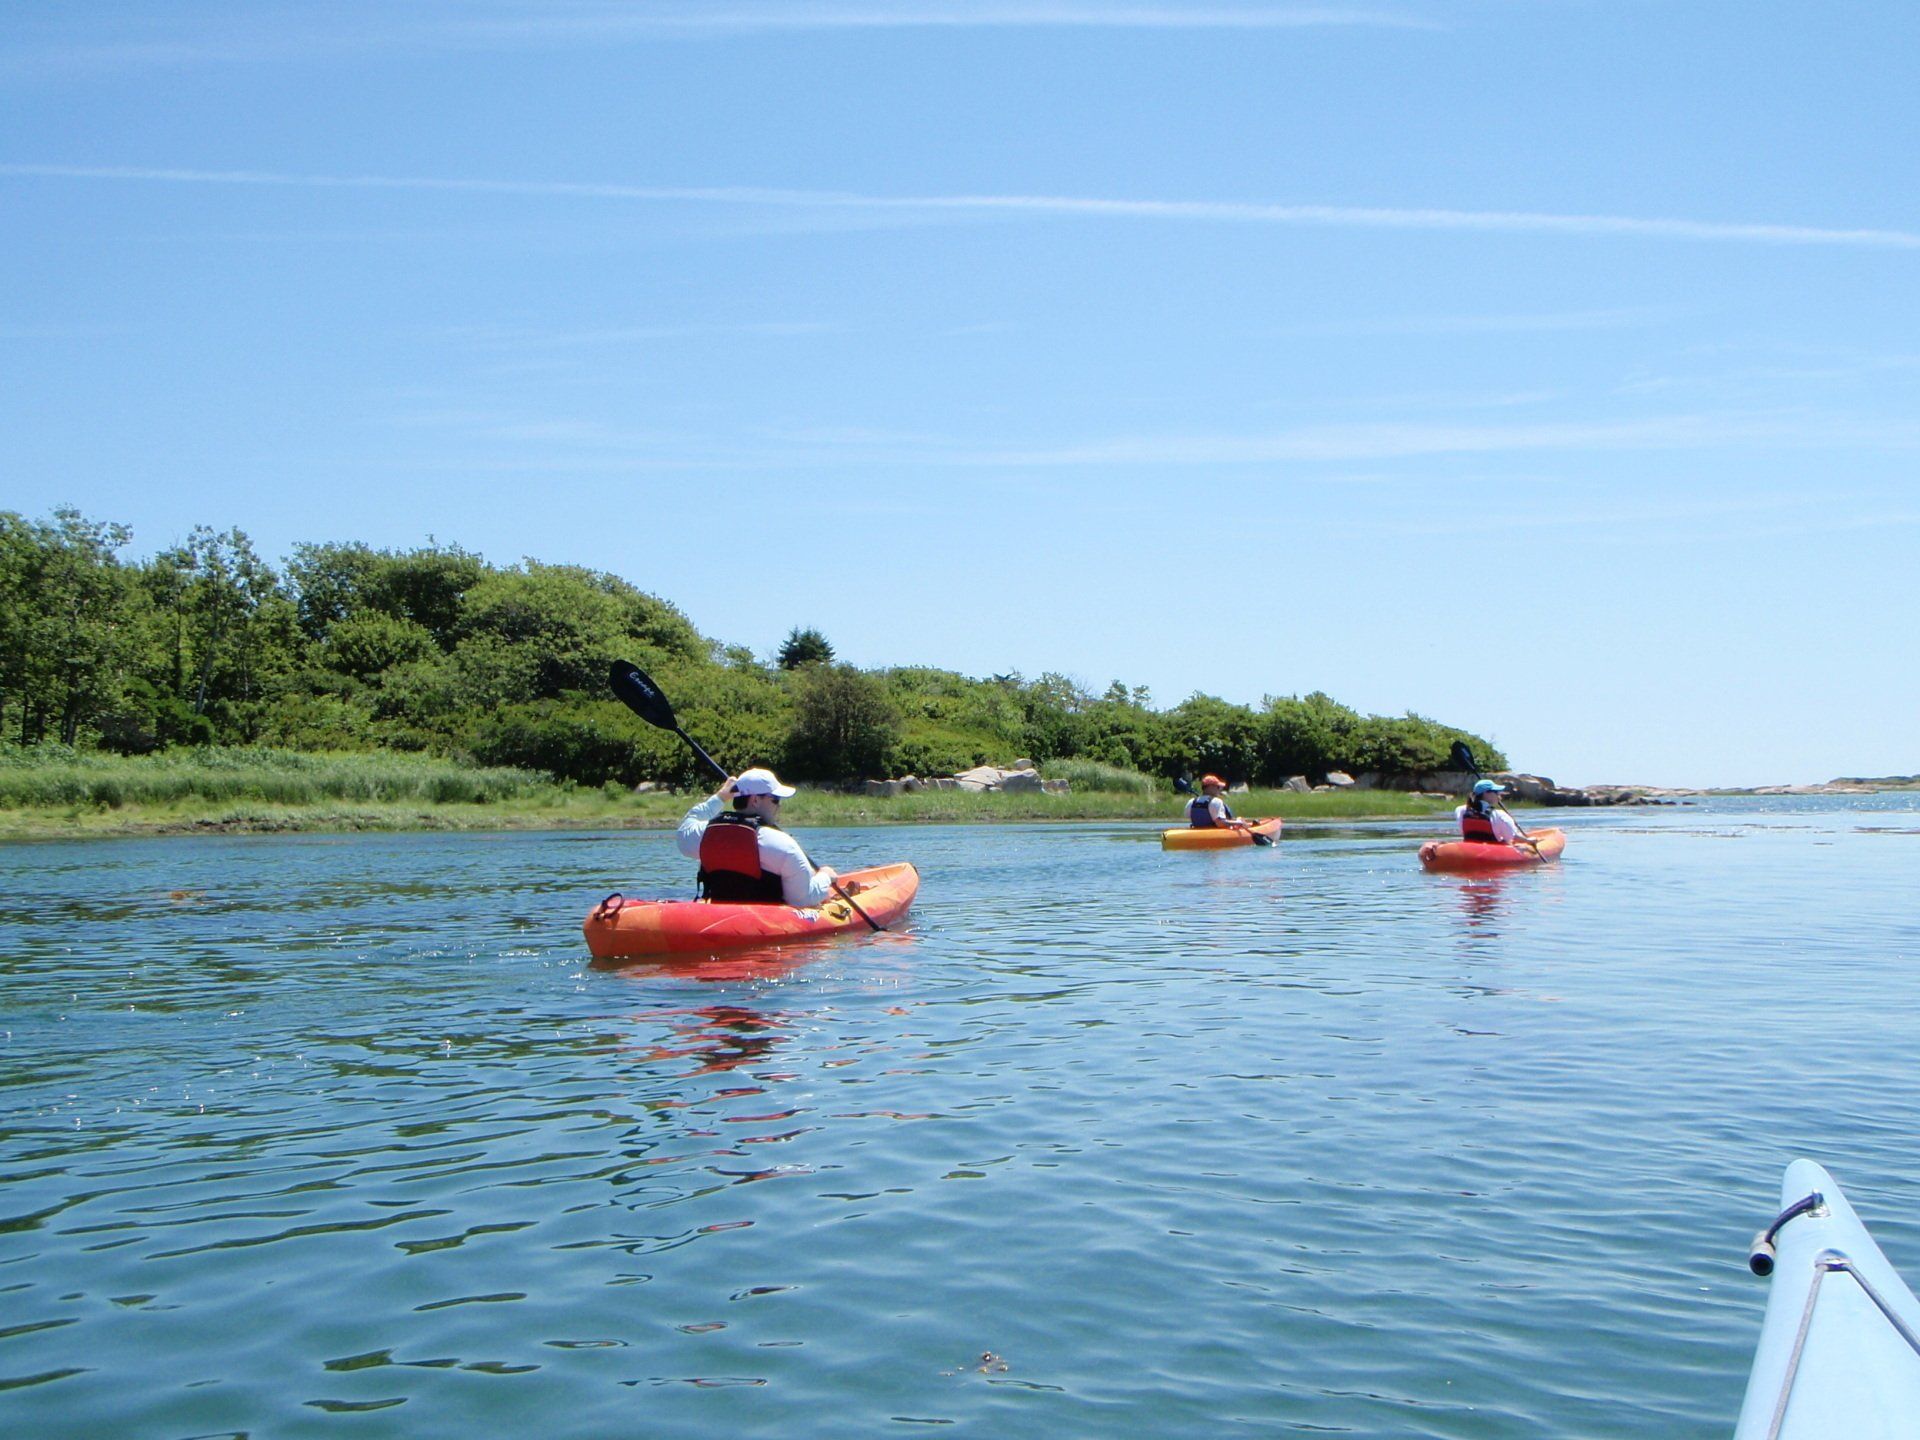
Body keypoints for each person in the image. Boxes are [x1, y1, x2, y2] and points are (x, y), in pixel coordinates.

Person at [676, 767, 837, 906]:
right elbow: (802, 900)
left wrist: (721, 796)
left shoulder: (707, 833)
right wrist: (825, 877)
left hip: (721, 911)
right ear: (754, 800)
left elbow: (687, 825)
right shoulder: (781, 844)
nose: (779, 806)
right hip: (766, 922)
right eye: (775, 799)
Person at [1456, 779, 1522, 845]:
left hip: (1469, 849)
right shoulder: (1499, 815)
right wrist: (1529, 841)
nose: (1499, 795)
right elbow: (1512, 837)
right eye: (1496, 792)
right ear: (1486, 793)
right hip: (1493, 851)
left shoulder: (1460, 810)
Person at [1185, 773, 1253, 832]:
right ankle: (1248, 825)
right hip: (1214, 833)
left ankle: (1249, 824)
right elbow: (1220, 823)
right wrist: (1238, 823)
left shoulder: (1191, 802)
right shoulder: (1216, 801)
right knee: (1239, 819)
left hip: (1197, 832)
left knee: (1239, 819)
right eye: (1218, 787)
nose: (1220, 789)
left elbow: (1188, 817)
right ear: (1210, 787)